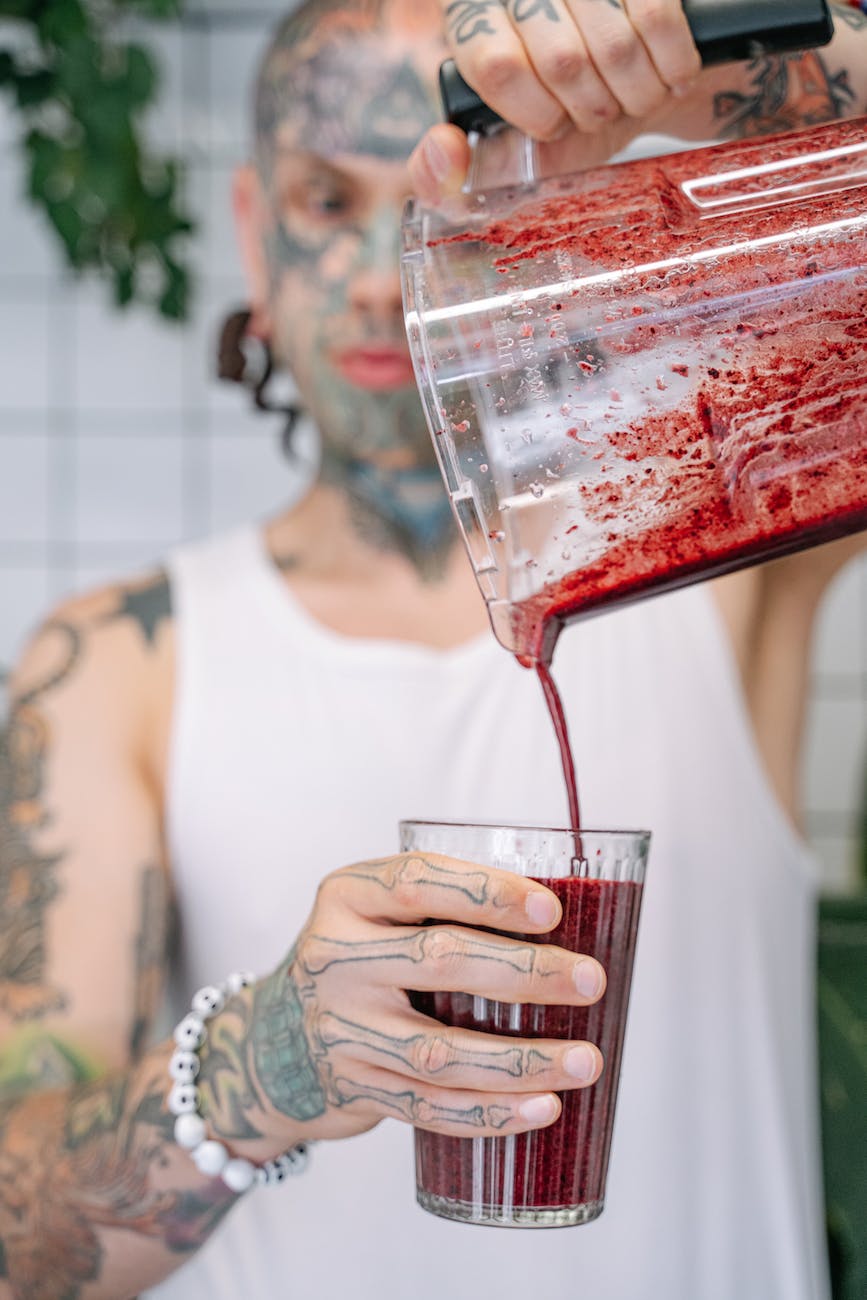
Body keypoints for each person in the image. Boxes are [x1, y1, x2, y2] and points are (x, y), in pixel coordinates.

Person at [0, 1, 865, 1296]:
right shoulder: (122, 668)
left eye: (435, 183)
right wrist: (266, 1061)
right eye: (322, 196)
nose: (374, 265)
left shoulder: (716, 554)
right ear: (251, 226)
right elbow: (21, 1233)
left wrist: (692, 83)